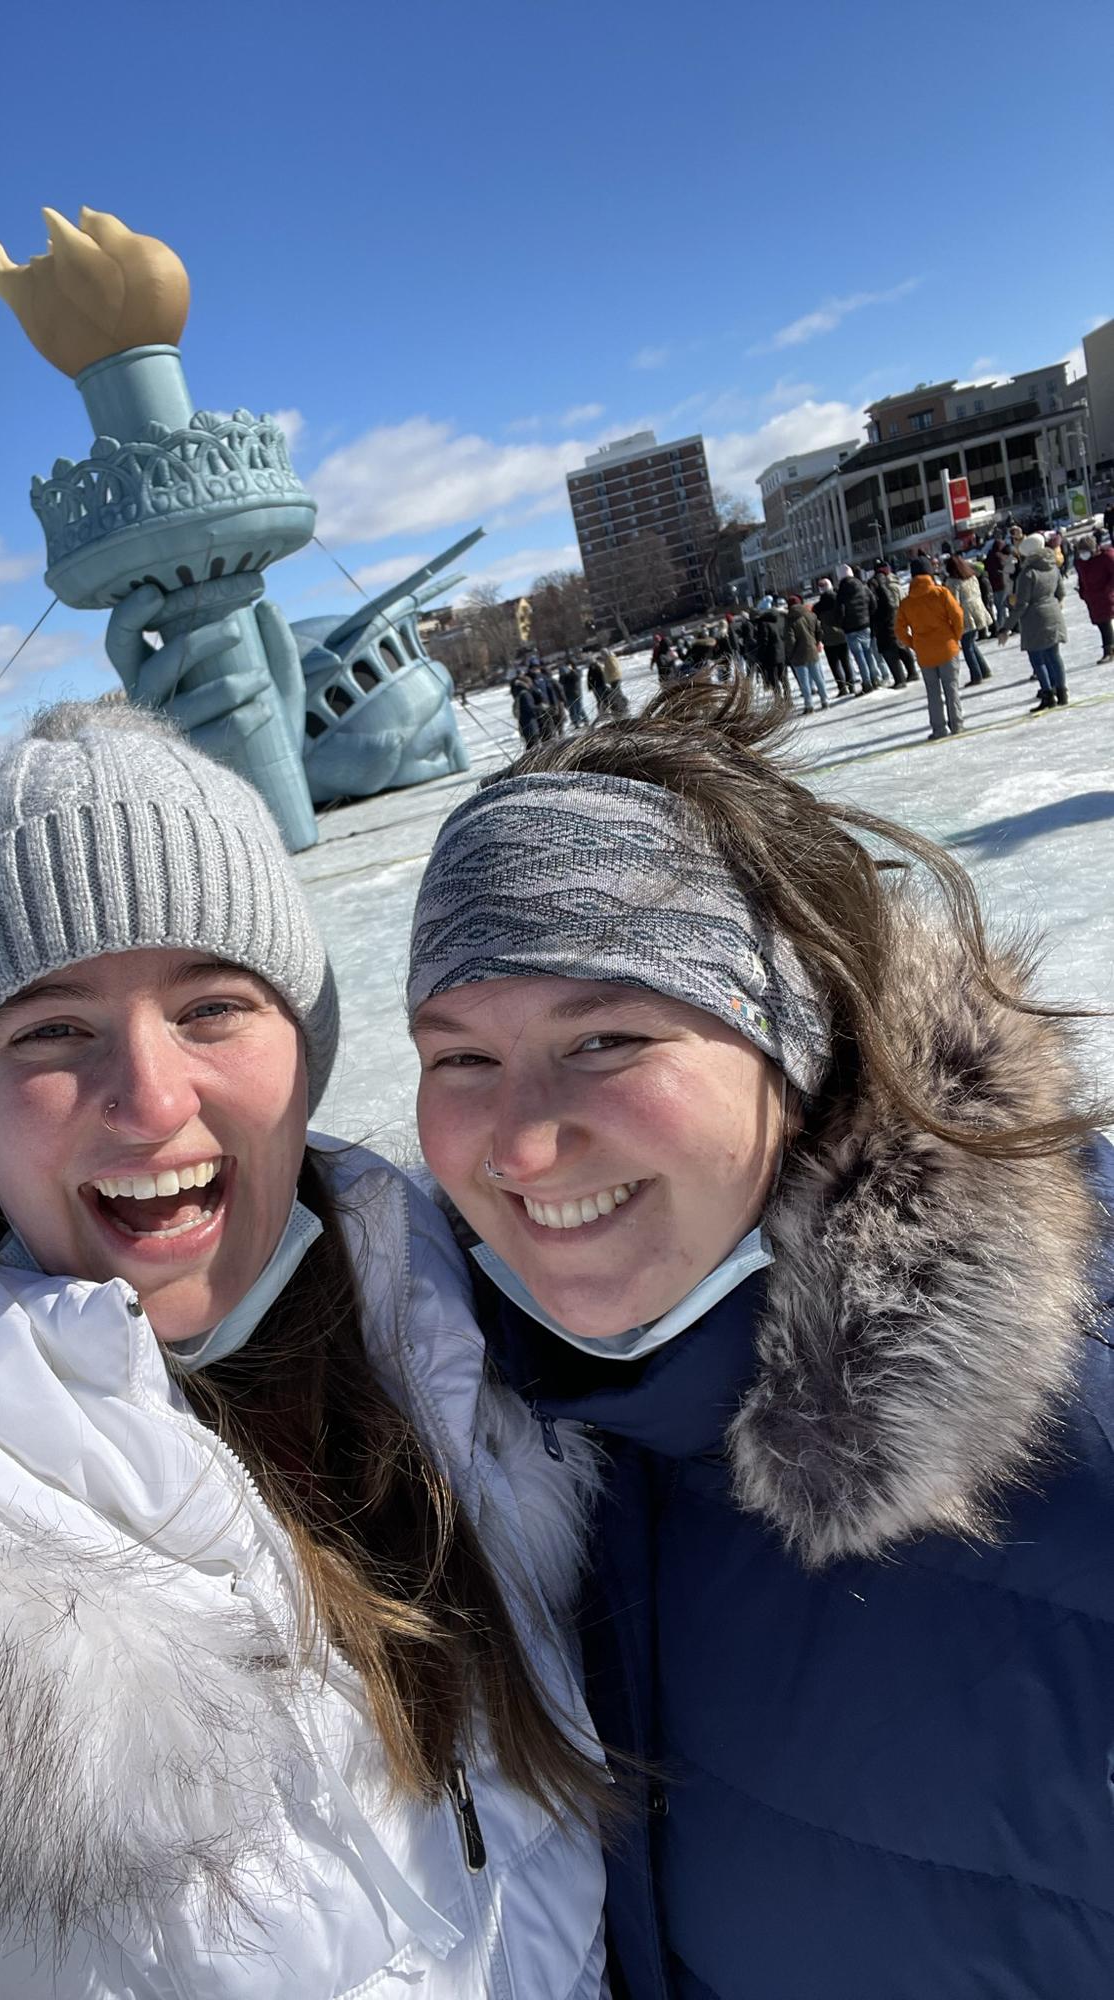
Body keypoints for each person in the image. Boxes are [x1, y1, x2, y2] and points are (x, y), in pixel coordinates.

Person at [0, 703, 612, 2000]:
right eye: (49, 1030)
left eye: (211, 1005)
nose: (149, 1100)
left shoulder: (472, 1323)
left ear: (301, 1055)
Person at [405, 682, 1114, 2000]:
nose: (520, 1142)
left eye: (606, 1038)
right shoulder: (491, 1414)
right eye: (459, 1059)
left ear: (791, 1041)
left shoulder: (1081, 1451)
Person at [895, 556, 965, 738]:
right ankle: (956, 725)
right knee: (951, 689)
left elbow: (899, 630)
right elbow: (957, 615)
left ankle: (939, 729)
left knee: (933, 693)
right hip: (947, 647)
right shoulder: (941, 593)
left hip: (925, 653)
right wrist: (955, 637)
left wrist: (914, 644)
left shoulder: (906, 602)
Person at [1014, 532, 1070, 710]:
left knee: (1037, 659)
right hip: (1053, 614)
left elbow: (1021, 603)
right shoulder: (1052, 566)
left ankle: (1048, 695)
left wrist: (1006, 627)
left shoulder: (1027, 573)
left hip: (1034, 619)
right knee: (1054, 655)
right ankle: (1062, 692)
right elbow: (1061, 592)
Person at [945, 554, 994, 684]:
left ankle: (976, 675)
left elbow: (953, 602)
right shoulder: (972, 576)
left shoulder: (952, 582)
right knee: (971, 643)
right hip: (978, 611)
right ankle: (984, 669)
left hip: (965, 615)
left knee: (967, 646)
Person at [834, 565, 886, 689]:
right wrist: (867, 616)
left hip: (850, 629)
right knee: (868, 653)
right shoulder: (862, 586)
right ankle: (875, 678)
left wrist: (841, 624)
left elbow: (839, 612)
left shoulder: (841, 592)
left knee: (859, 656)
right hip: (865, 625)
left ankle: (866, 682)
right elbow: (873, 603)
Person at [868, 560, 916, 684]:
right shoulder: (895, 581)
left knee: (889, 649)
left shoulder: (877, 584)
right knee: (900, 645)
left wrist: (877, 618)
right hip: (898, 617)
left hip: (887, 620)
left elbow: (884, 604)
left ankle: (900, 679)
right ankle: (912, 672)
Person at [783, 592, 828, 712]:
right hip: (812, 651)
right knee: (818, 678)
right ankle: (825, 700)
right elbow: (819, 630)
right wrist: (817, 642)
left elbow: (790, 640)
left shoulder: (789, 620)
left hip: (798, 656)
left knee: (804, 682)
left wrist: (790, 654)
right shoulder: (811, 615)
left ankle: (809, 705)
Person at [1073, 534, 1114, 662]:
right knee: (1101, 622)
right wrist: (1083, 592)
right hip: (1092, 597)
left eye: (1086, 551)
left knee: (1105, 622)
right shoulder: (1080, 562)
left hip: (1105, 595)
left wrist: (1108, 589)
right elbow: (1081, 578)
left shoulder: (1106, 557)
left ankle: (1109, 651)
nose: (1083, 555)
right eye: (1081, 552)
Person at [811, 578, 853, 696]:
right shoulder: (839, 599)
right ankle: (851, 685)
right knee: (846, 662)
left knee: (834, 665)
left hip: (828, 638)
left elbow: (816, 622)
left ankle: (842, 687)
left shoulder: (818, 606)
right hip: (842, 634)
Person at [749, 598, 787, 695]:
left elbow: (764, 641)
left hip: (770, 656)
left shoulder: (763, 623)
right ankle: (788, 698)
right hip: (782, 652)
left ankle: (779, 701)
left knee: (774, 680)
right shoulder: (779, 618)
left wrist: (760, 656)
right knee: (784, 678)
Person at [559, 657, 588, 728]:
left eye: (568, 665)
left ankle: (585, 720)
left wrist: (571, 672)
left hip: (577, 693)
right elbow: (561, 682)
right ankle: (576, 723)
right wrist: (563, 675)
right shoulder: (565, 674)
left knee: (579, 708)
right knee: (572, 710)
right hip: (568, 694)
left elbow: (577, 678)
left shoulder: (577, 671)